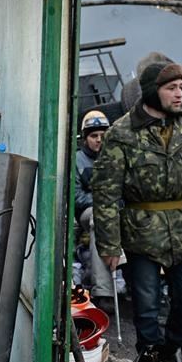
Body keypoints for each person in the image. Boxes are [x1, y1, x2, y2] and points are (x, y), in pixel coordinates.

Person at [92, 62, 182, 360]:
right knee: (147, 306)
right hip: (142, 230)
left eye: (181, 88)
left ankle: (173, 354)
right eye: (171, 88)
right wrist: (109, 245)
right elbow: (105, 192)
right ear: (151, 92)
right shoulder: (122, 132)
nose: (179, 94)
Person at [74, 110, 121, 306]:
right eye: (94, 136)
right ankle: (104, 292)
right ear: (85, 138)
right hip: (89, 212)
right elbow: (76, 196)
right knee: (99, 218)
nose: (99, 140)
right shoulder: (77, 160)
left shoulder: (117, 158)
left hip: (118, 210)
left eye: (103, 136)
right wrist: (104, 204)